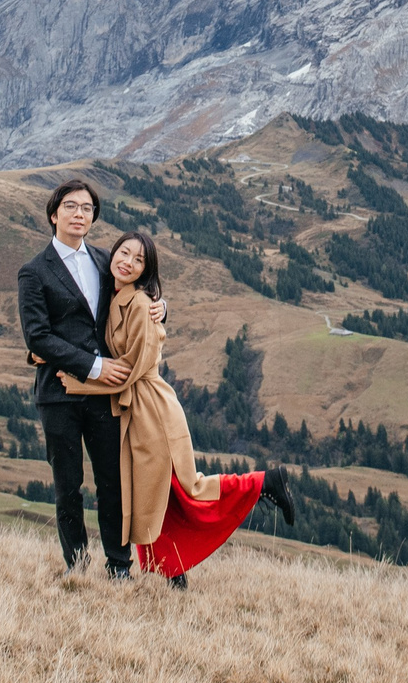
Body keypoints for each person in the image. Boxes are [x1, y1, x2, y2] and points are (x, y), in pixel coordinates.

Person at [64, 232, 298, 587]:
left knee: (187, 489)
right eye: (123, 253)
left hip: (151, 410)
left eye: (138, 260)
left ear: (146, 271)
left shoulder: (140, 305)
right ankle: (173, 572)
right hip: (135, 411)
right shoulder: (116, 293)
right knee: (156, 493)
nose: (127, 262)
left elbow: (129, 370)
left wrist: (76, 379)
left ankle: (263, 483)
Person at [17, 177, 132, 576]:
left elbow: (136, 291)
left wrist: (161, 307)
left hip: (104, 396)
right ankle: (78, 567)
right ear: (54, 214)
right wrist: (95, 366)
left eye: (86, 208)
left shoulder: (105, 260)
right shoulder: (33, 272)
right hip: (59, 395)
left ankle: (119, 566)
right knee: (68, 486)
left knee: (114, 483)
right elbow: (37, 336)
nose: (79, 213)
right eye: (71, 206)